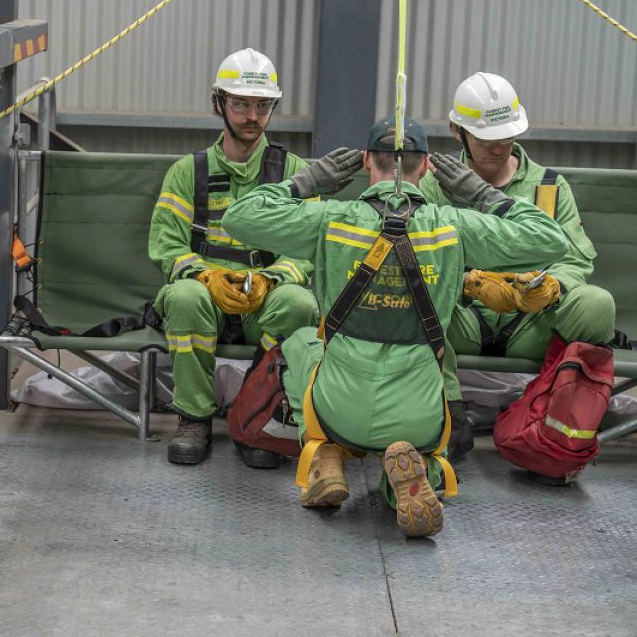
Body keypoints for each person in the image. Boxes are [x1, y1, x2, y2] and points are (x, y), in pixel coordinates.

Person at [223, 118, 567, 537]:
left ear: (366, 161)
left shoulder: (332, 220)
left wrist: (306, 181)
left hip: (337, 407)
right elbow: (550, 240)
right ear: (426, 168)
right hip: (417, 413)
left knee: (298, 340)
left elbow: (239, 218)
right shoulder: (451, 226)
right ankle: (408, 479)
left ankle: (322, 452)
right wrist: (480, 192)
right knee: (423, 455)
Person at [149, 49, 319, 468]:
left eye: (262, 106)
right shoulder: (188, 172)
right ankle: (193, 418)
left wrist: (271, 279)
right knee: (184, 297)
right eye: (240, 104)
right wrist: (206, 277)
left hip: (264, 300)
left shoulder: (295, 173)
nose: (251, 116)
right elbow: (166, 246)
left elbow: (310, 248)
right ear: (218, 104)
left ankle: (256, 417)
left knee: (300, 303)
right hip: (206, 296)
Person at [419, 72, 616, 395]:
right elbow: (419, 257)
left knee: (596, 303)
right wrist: (468, 284)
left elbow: (575, 259)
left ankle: (559, 421)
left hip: (533, 324)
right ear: (457, 132)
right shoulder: (434, 186)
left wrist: (553, 287)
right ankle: (442, 404)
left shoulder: (549, 187)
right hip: (461, 322)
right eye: (485, 141)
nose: (497, 149)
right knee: (414, 301)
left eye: (506, 139)